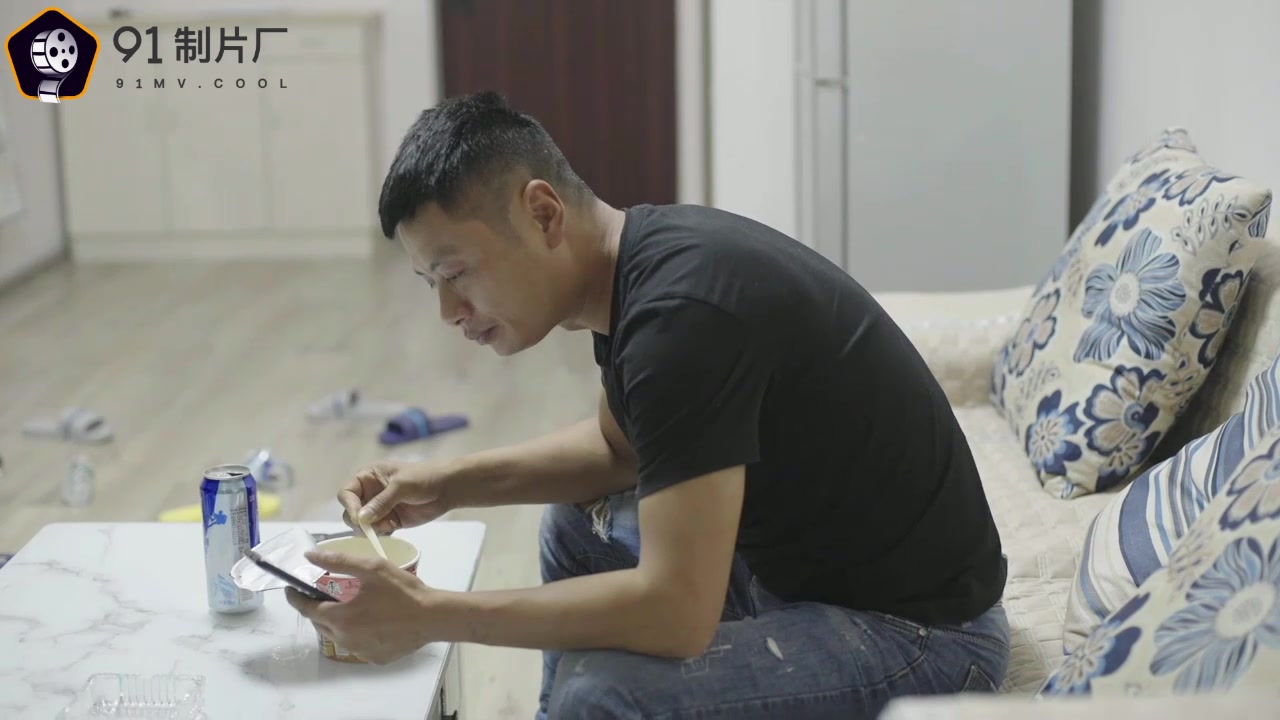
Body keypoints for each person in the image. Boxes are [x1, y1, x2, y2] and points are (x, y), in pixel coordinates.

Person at [286, 91, 1010, 719]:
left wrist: (428, 616)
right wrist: (447, 484)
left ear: (542, 213)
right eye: (430, 283)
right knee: (577, 527)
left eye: (455, 273)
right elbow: (618, 450)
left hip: (921, 635)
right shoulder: (641, 268)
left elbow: (676, 613)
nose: (448, 310)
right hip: (804, 572)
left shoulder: (682, 318)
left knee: (601, 694)